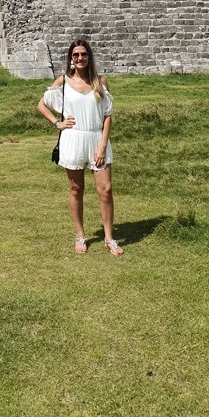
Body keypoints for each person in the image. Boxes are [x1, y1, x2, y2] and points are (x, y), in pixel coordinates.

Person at [37, 38, 124, 256]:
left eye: (83, 54)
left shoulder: (100, 81)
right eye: (75, 55)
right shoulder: (63, 82)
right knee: (76, 189)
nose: (79, 58)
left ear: (89, 56)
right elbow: (41, 104)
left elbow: (107, 115)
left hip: (96, 138)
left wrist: (102, 145)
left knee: (105, 189)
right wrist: (57, 123)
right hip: (73, 138)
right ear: (70, 58)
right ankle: (80, 235)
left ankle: (109, 238)